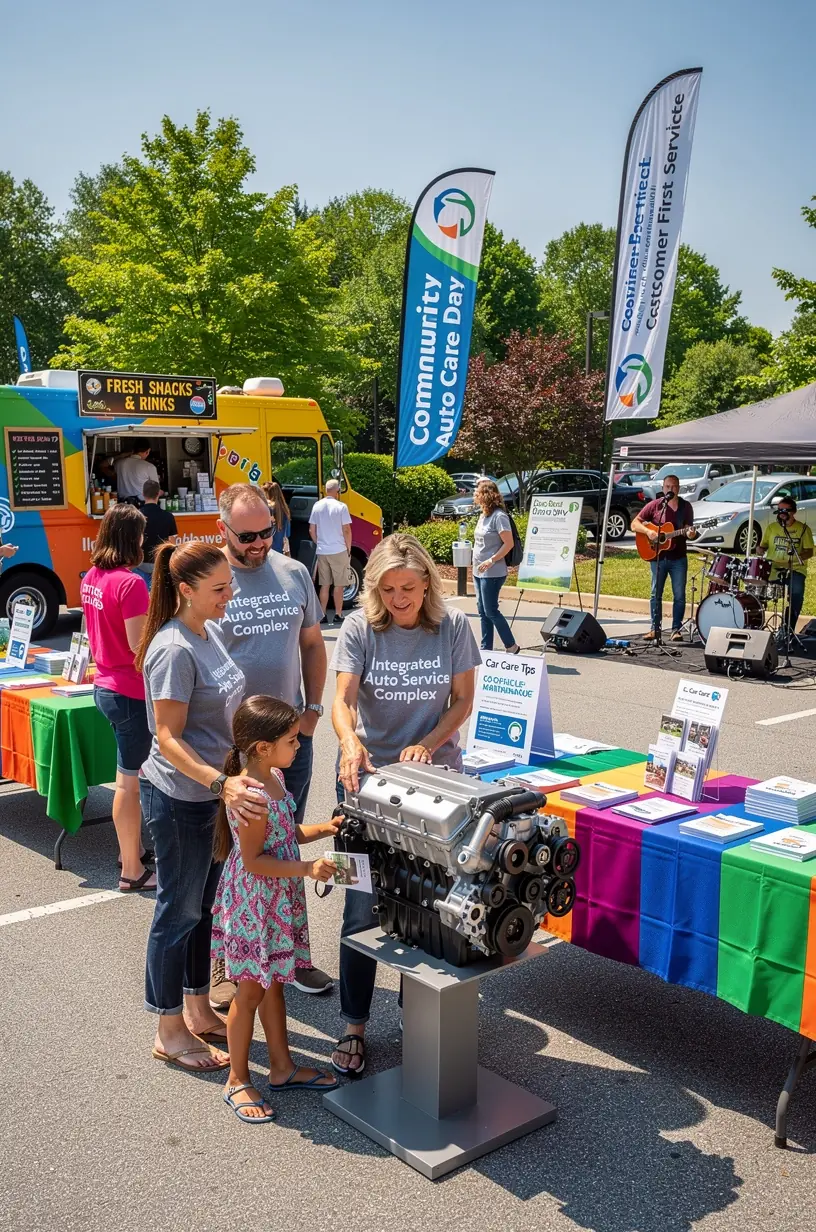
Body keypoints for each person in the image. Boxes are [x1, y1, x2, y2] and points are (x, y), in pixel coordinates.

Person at [330, 532, 481, 1075]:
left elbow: (462, 700)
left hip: (436, 785)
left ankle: (418, 1021)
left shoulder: (454, 627)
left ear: (427, 585)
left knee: (428, 909)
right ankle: (353, 1026)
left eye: (410, 589)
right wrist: (351, 743)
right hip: (366, 784)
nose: (399, 600)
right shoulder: (358, 628)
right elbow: (342, 702)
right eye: (389, 590)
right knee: (358, 907)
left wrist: (431, 742)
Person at [135, 541, 268, 1073]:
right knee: (178, 911)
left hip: (213, 794)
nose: (229, 595)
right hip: (182, 797)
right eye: (219, 589)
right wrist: (222, 783)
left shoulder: (205, 630)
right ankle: (168, 1028)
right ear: (185, 591)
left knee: (203, 910)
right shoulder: (173, 648)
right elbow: (166, 737)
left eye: (229, 585)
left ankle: (195, 1007)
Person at [214, 483, 331, 1005]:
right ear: (224, 530)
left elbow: (311, 643)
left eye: (268, 531)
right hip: (229, 751)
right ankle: (227, 961)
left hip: (288, 744)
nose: (260, 542)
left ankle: (289, 955)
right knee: (230, 859)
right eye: (247, 536)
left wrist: (310, 714)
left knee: (282, 843)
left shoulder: (293, 572)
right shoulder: (210, 581)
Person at [211, 695, 341, 1122]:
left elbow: (285, 832)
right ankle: (237, 1079)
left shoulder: (275, 778)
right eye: (291, 739)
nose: (299, 744)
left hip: (276, 899)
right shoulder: (249, 793)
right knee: (249, 991)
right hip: (255, 902)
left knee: (275, 984)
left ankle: (282, 1068)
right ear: (263, 747)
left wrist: (323, 828)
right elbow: (252, 860)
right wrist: (307, 868)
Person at [80, 503, 155, 892]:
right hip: (129, 691)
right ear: (133, 538)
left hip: (104, 686)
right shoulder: (130, 584)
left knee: (126, 777)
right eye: (142, 533)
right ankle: (132, 869)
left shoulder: (92, 576)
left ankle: (134, 850)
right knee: (128, 782)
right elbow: (138, 646)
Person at [631, 474, 698, 642]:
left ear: (679, 488)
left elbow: (689, 530)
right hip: (658, 558)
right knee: (656, 594)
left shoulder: (686, 507)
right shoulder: (654, 506)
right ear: (663, 488)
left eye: (674, 486)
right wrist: (648, 532)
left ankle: (676, 629)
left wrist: (690, 533)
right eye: (667, 486)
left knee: (679, 595)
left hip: (678, 559)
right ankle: (655, 629)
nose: (671, 489)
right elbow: (634, 524)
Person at [472, 478, 520, 653]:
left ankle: (511, 646)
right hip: (479, 570)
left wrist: (491, 560)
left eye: (477, 492)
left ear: (486, 495)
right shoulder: (483, 515)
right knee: (482, 611)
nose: (474, 495)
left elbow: (508, 544)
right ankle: (486, 649)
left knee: (491, 610)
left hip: (493, 572)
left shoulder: (499, 516)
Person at [756, 496, 814, 637]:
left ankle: (788, 630)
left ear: (793, 512)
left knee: (796, 594)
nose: (781, 512)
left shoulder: (803, 529)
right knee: (756, 592)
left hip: (795, 569)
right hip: (774, 568)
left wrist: (795, 559)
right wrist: (759, 549)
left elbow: (810, 551)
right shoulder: (772, 527)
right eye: (779, 509)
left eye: (785, 510)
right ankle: (755, 626)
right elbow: (763, 545)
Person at [309, 478, 352, 624]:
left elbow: (312, 529)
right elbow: (346, 529)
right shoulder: (341, 507)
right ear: (337, 491)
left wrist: (319, 542)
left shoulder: (317, 506)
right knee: (339, 585)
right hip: (339, 549)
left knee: (324, 585)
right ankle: (338, 614)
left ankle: (322, 615)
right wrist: (348, 548)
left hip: (323, 551)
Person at [136, 479, 177, 591]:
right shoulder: (168, 516)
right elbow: (172, 544)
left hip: (140, 564)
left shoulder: (136, 516)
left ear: (143, 494)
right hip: (160, 564)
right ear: (158, 494)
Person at [261, 480, 291, 555]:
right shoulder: (285, 509)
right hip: (279, 549)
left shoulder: (266, 508)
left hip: (267, 550)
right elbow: (287, 533)